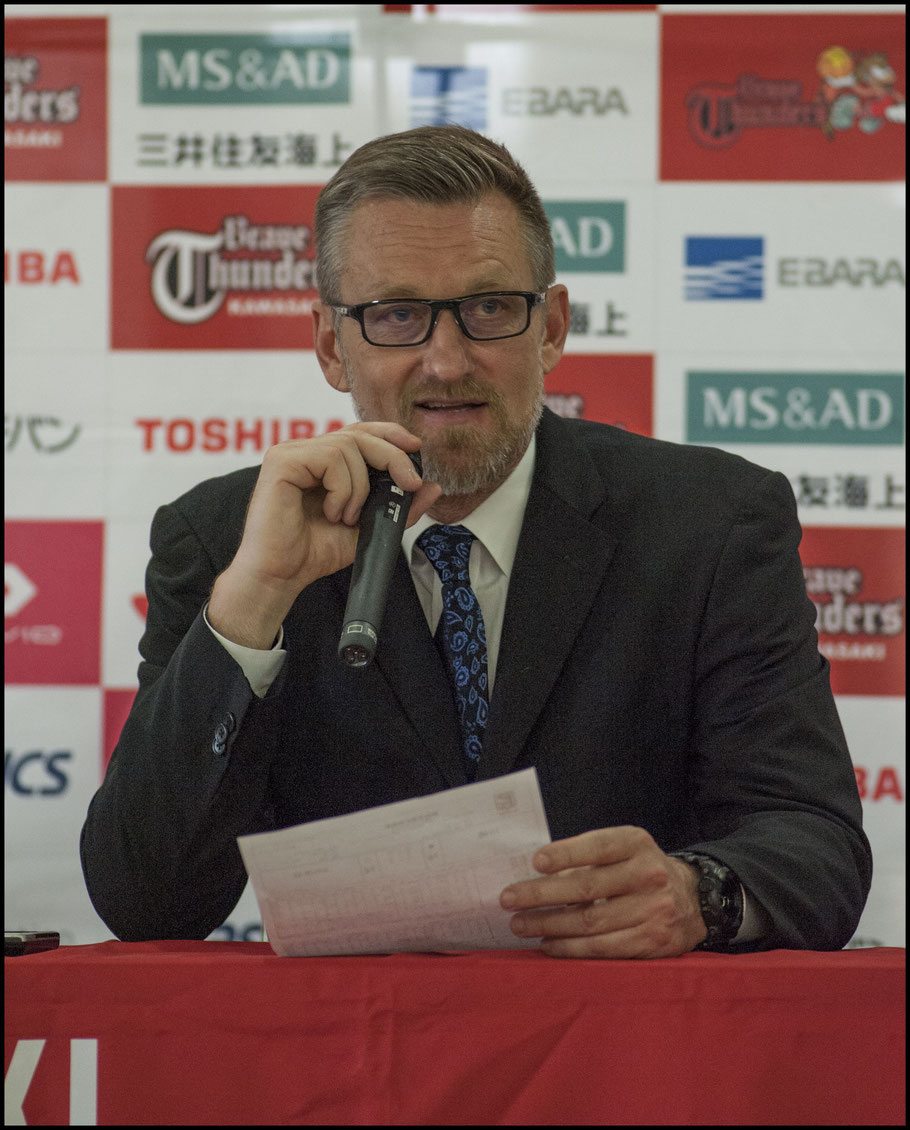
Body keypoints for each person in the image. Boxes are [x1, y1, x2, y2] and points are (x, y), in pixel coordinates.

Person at [81, 125, 871, 957]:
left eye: (489, 308)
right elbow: (146, 901)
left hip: (620, 1055)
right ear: (329, 346)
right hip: (349, 1063)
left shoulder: (712, 520)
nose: (446, 360)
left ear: (553, 327)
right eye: (397, 316)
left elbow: (815, 843)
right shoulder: (224, 541)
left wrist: (695, 892)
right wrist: (252, 608)